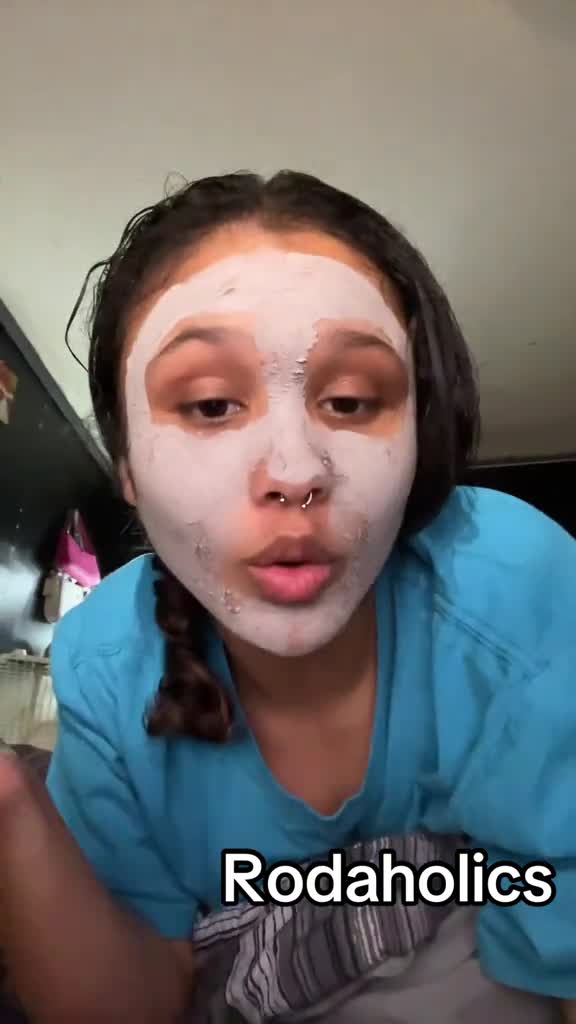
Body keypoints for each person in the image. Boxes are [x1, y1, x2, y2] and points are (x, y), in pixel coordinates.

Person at [0, 170, 574, 1024]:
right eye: (210, 404)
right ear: (126, 468)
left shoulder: (511, 586)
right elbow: (137, 1001)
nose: (296, 471)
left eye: (351, 400)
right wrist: (10, 806)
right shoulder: (105, 664)